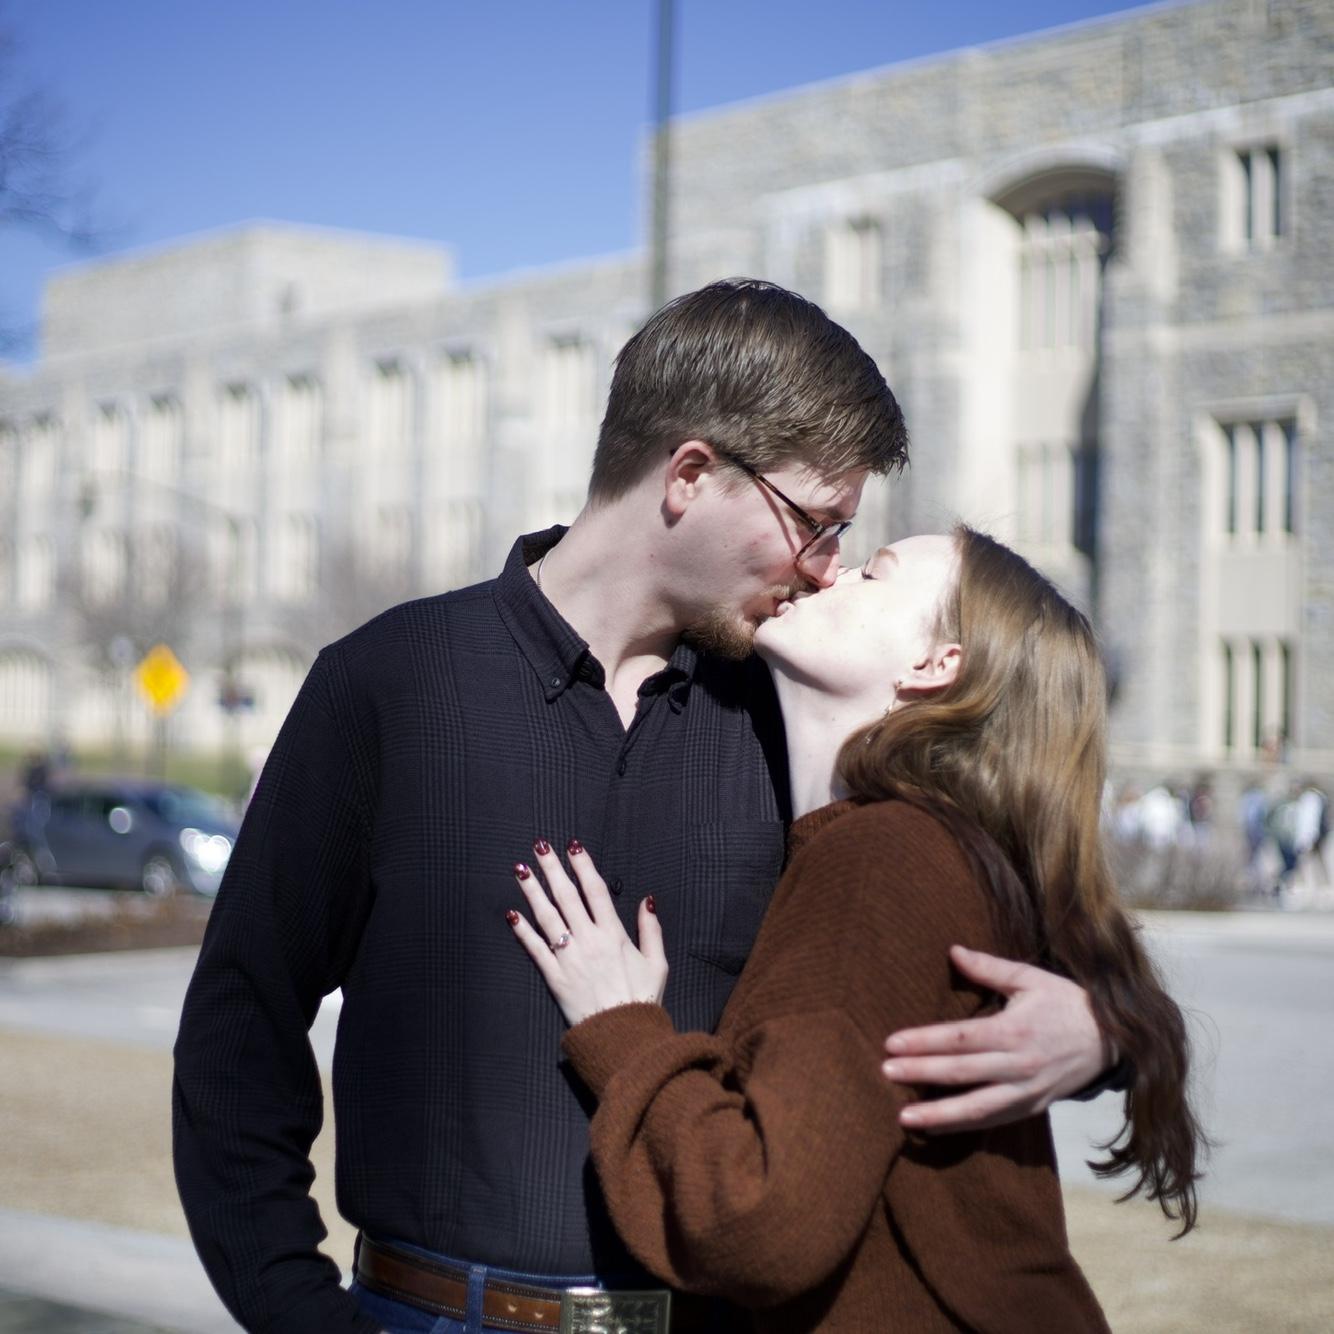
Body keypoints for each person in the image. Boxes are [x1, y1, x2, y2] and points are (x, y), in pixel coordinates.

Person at [173, 281, 1116, 1334]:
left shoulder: (799, 720)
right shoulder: (387, 684)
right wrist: (303, 1315)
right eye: (816, 524)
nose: (826, 568)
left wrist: (1101, 1027)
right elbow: (237, 1031)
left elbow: (993, 900)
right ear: (691, 475)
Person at [511, 528, 1202, 1332]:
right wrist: (1114, 1021)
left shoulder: (882, 856)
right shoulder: (923, 845)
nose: (831, 571)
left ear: (935, 665)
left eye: (875, 573)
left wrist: (621, 1029)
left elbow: (759, 1223)